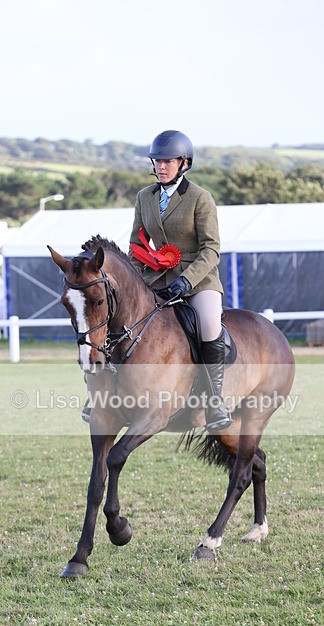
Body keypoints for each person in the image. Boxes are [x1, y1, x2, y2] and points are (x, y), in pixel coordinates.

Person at [128, 130, 232, 432]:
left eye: (167, 161)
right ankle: (102, 395)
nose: (160, 166)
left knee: (210, 325)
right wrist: (135, 281)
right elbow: (137, 244)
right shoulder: (144, 197)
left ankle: (215, 403)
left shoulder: (200, 198)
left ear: (184, 163)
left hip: (197, 281)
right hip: (154, 279)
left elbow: (211, 249)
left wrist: (186, 281)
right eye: (157, 161)